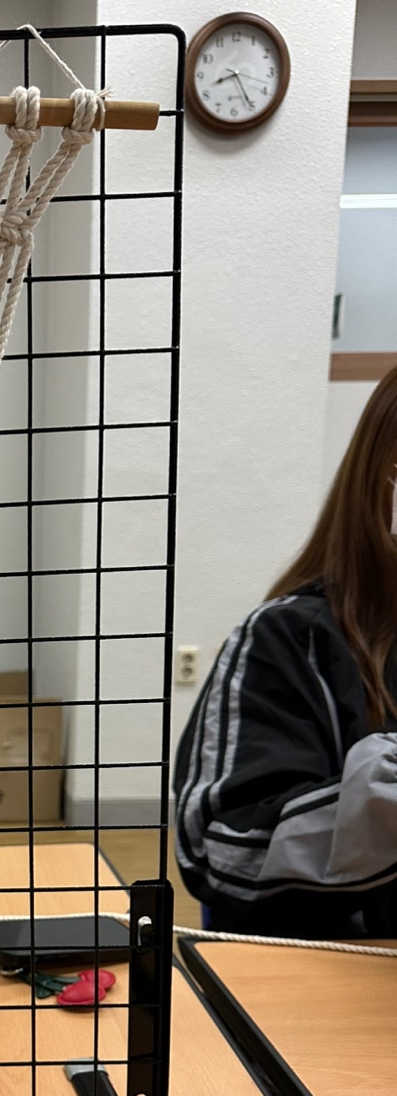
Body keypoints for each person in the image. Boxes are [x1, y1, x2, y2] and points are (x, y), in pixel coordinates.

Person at [175, 362, 397, 939]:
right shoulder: (292, 640)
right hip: (336, 970)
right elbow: (225, 851)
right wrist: (376, 804)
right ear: (384, 481)